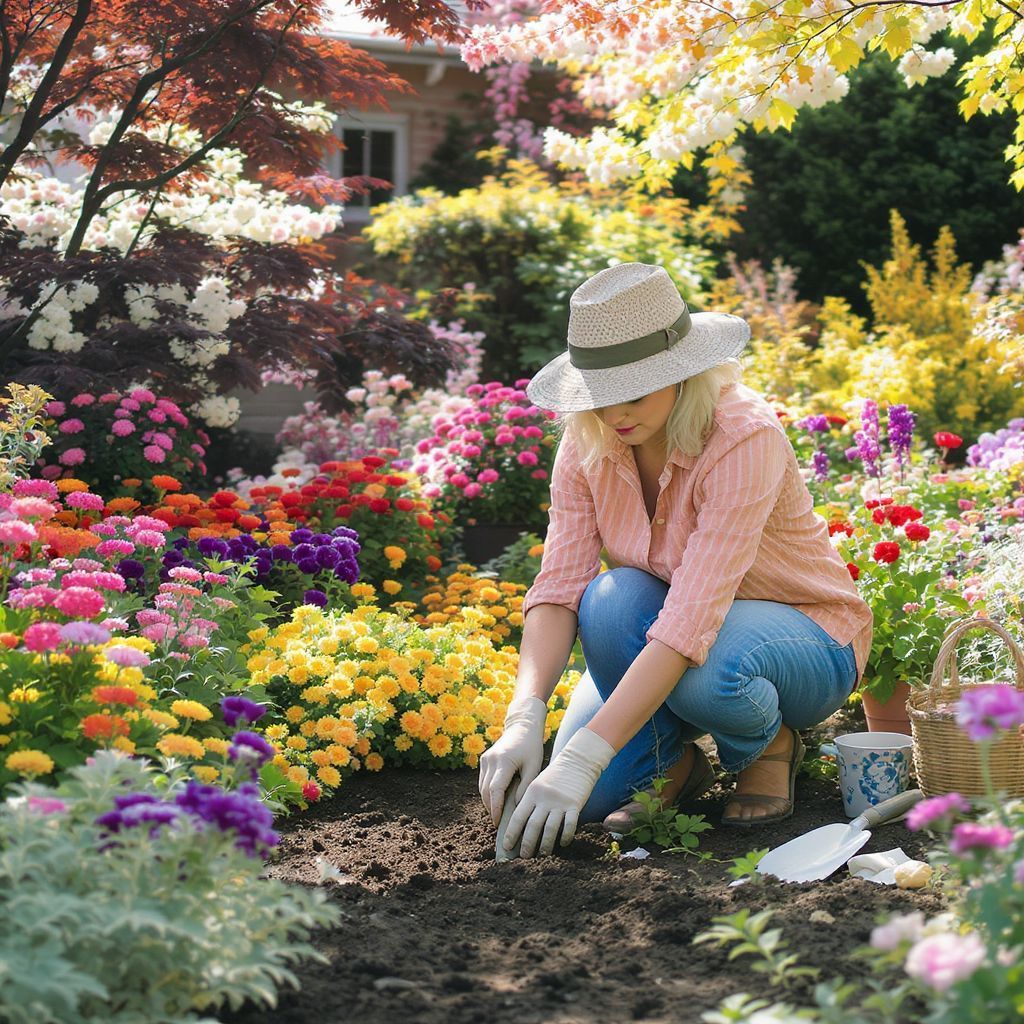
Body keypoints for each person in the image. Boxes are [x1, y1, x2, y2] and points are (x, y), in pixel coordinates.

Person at [478, 263, 873, 859]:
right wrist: (522, 718)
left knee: (712, 675)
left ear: (682, 373)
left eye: (633, 392)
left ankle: (769, 746)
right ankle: (679, 765)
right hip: (682, 634)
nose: (615, 416)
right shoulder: (591, 440)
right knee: (609, 607)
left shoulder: (743, 437)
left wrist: (586, 753)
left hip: (805, 638)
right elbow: (558, 588)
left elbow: (691, 618)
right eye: (599, 396)